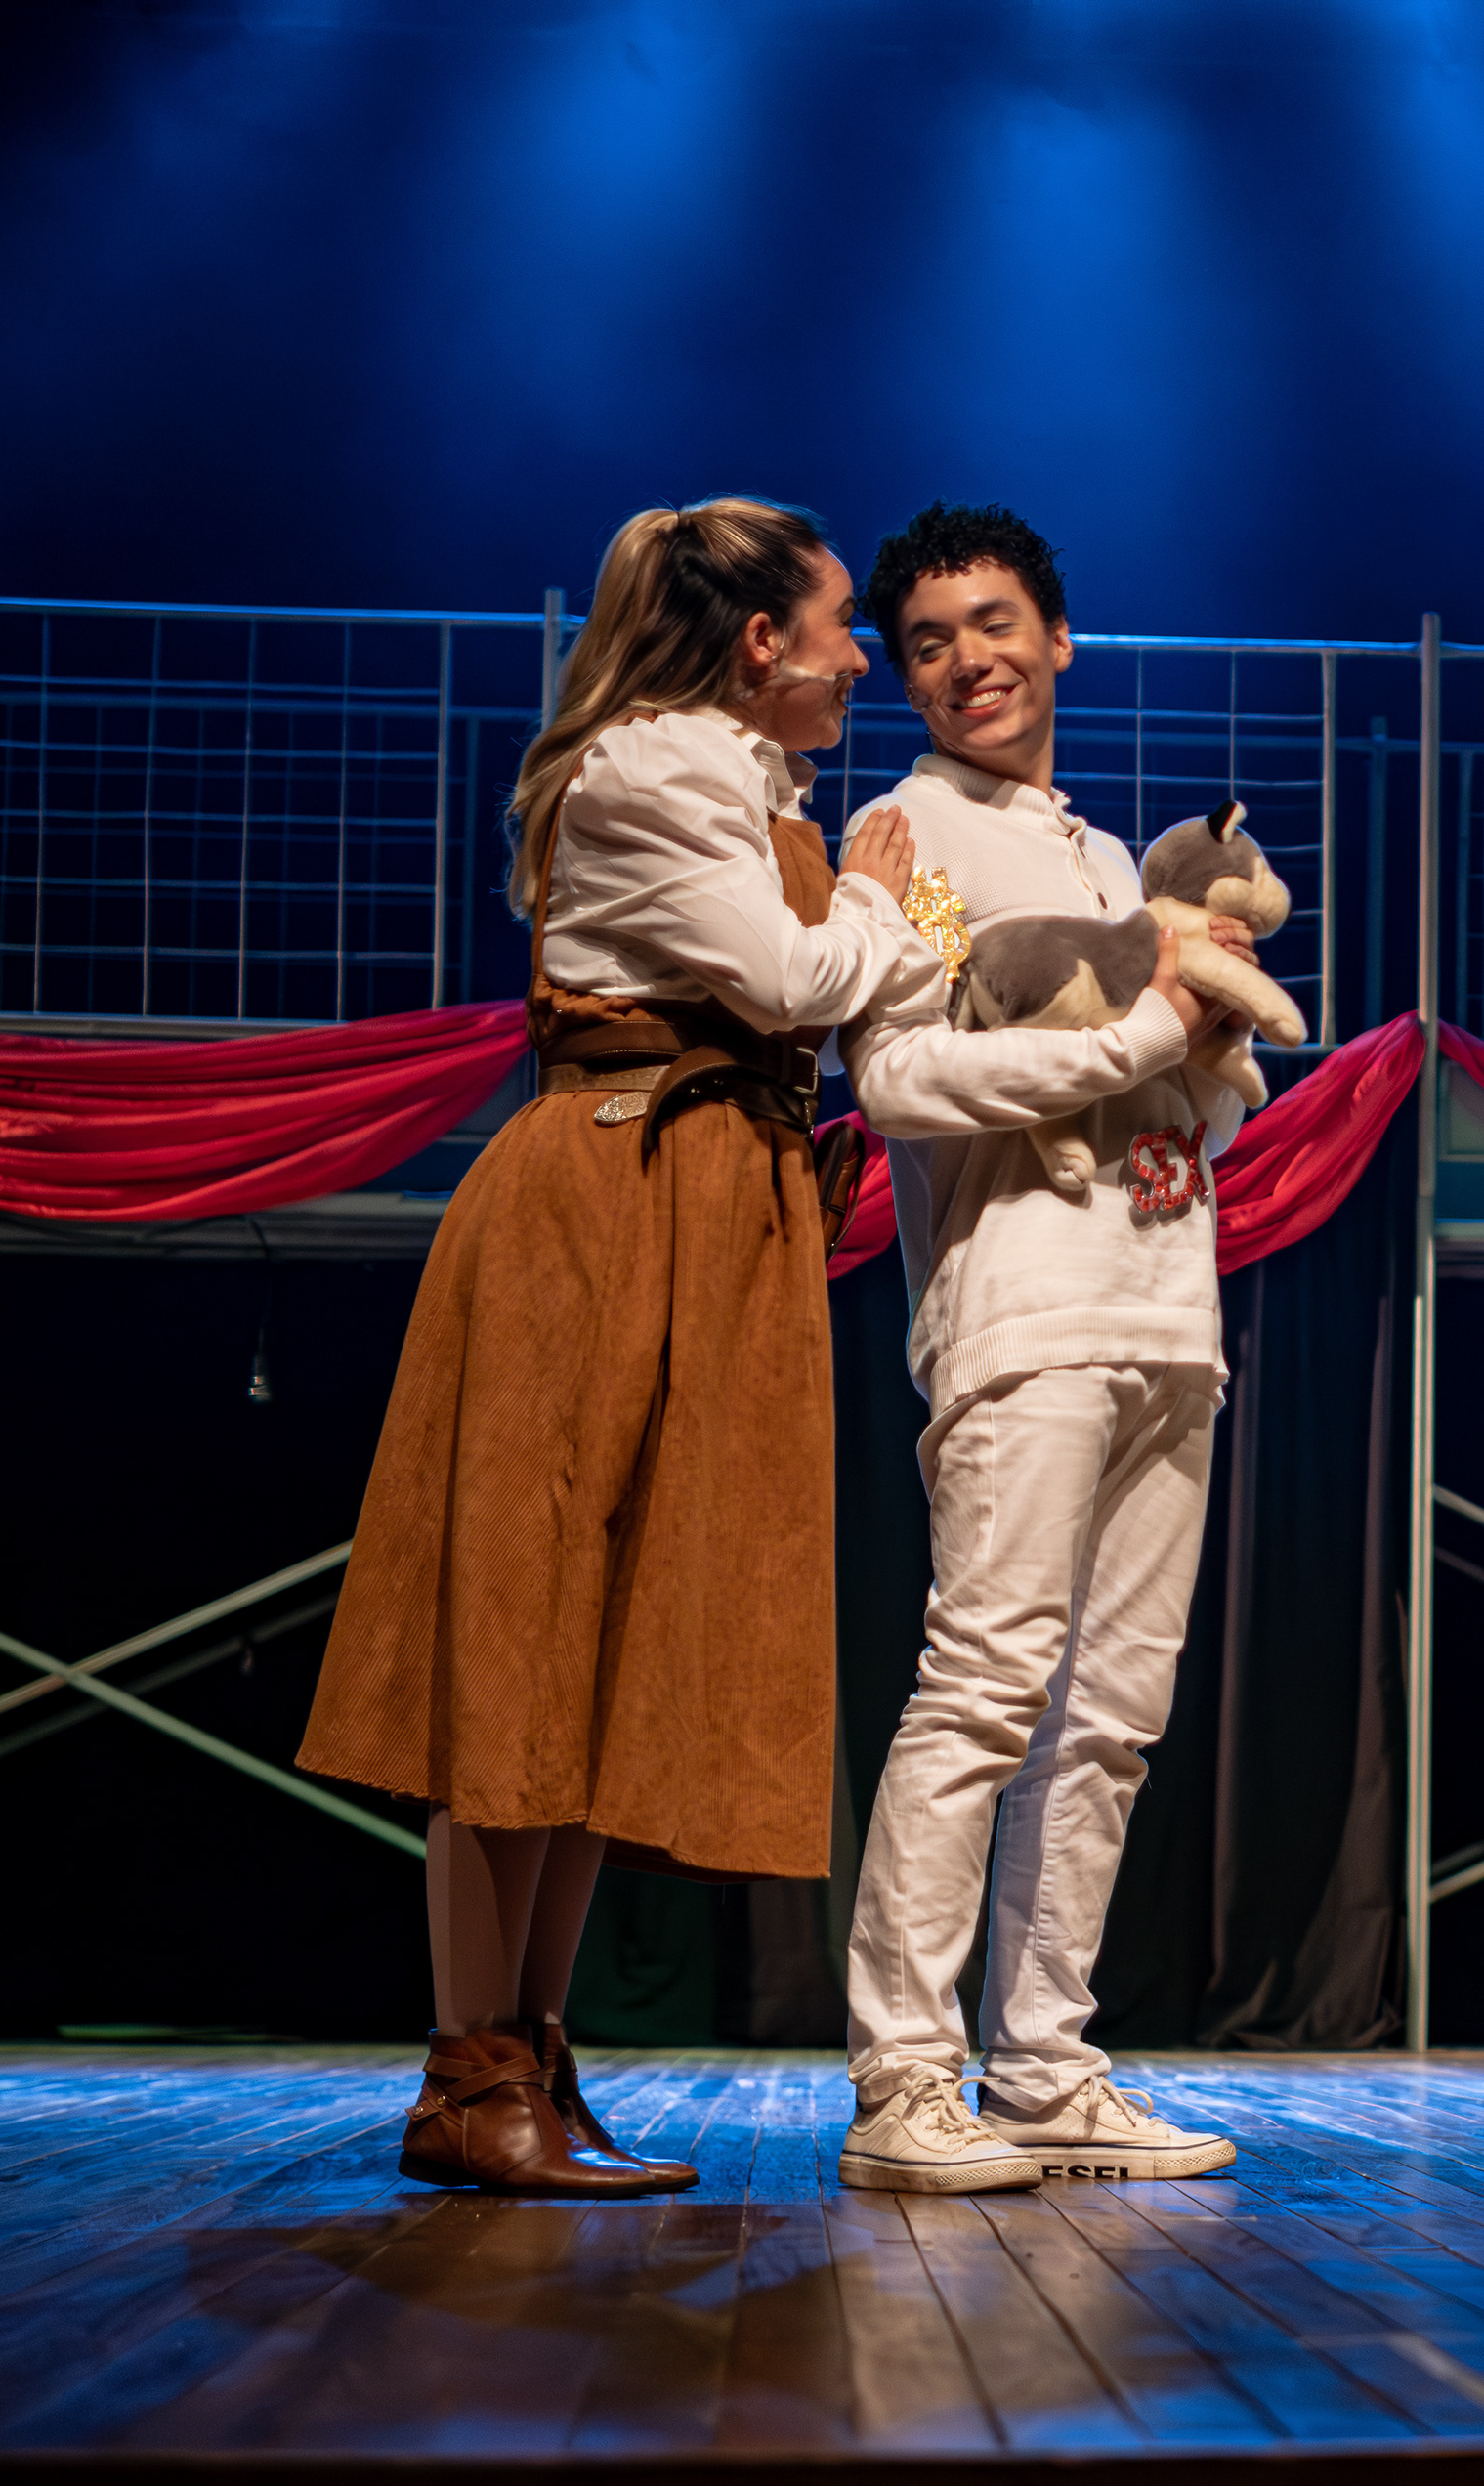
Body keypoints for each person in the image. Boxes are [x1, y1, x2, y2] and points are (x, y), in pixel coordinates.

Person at [300, 496, 939, 2194]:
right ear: (759, 642)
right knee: (525, 1632)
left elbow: (818, 1000)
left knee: (608, 1648)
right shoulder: (657, 769)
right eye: (837, 624)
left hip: (705, 1205)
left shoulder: (746, 783)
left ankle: (532, 2049)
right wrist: (882, 909)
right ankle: (468, 2072)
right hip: (606, 1202)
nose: (860, 657)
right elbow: (796, 979)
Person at [827, 501, 1250, 2194]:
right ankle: (902, 2078)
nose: (966, 663)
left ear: (1059, 638)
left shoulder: (1107, 856)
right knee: (989, 1685)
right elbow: (898, 1081)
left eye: (993, 624)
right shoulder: (903, 834)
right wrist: (1143, 1033)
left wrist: (1198, 1053)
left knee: (1113, 1718)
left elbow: (1172, 1089)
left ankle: (1046, 2068)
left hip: (1168, 1301)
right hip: (1021, 1309)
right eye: (927, 643)